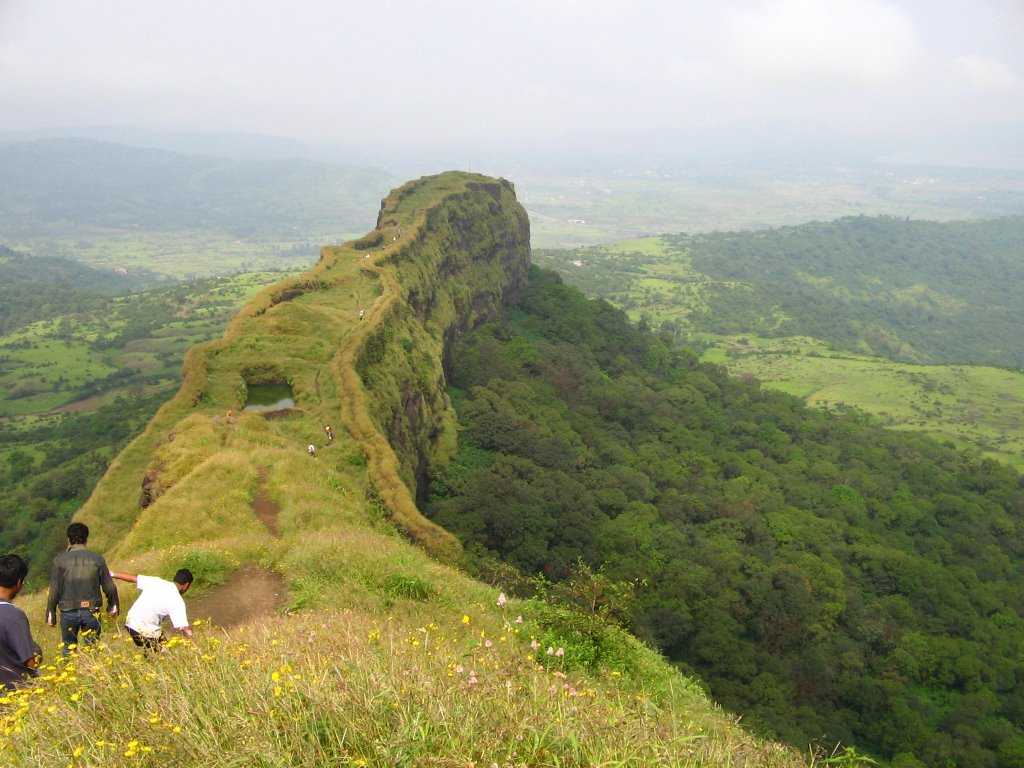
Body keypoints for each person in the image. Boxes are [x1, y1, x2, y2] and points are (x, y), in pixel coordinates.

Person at [46, 522, 119, 655]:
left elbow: (54, 590)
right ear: (86, 538)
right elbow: (110, 587)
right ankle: (93, 674)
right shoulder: (97, 559)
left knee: (68, 650)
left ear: (69, 539)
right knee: (93, 650)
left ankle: (70, 673)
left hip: (68, 611)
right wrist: (113, 606)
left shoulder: (59, 560)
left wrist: (50, 613)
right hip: (91, 610)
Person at [111, 569, 193, 650]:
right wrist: (195, 646)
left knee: (153, 648)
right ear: (186, 585)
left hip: (130, 622)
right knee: (167, 653)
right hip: (146, 629)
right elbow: (184, 628)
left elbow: (133, 578)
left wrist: (112, 573)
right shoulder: (177, 600)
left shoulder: (156, 581)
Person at [0, 554, 41, 690]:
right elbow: (30, 662)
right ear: (18, 583)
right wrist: (37, 652)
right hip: (15, 694)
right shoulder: (13, 616)